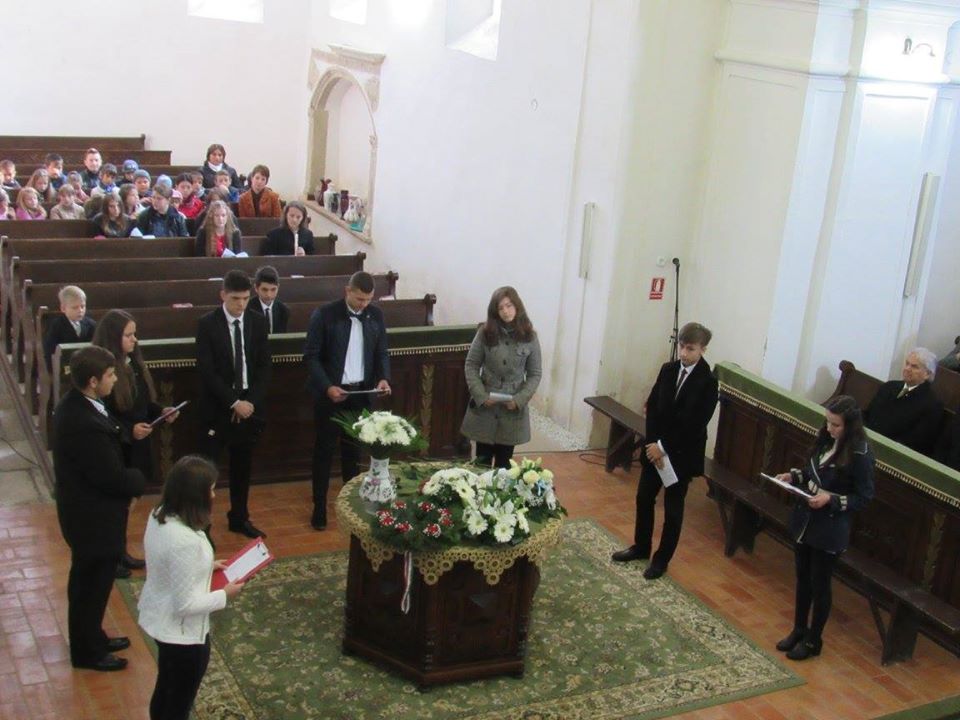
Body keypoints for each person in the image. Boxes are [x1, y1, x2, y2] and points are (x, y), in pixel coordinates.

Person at [53, 345, 146, 672]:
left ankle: (94, 636)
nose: (115, 379)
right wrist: (138, 480)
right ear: (93, 381)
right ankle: (87, 652)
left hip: (92, 512)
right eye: (110, 374)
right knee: (89, 586)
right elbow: (110, 476)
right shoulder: (82, 421)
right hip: (91, 517)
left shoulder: (82, 404)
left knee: (95, 582)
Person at [138, 455, 244, 719]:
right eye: (211, 489)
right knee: (178, 702)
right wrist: (224, 594)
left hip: (161, 621)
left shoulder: (159, 514)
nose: (214, 495)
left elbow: (167, 562)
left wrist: (207, 565)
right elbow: (185, 605)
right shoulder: (185, 541)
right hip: (183, 637)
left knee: (166, 687)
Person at [612, 322, 719, 580]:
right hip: (654, 449)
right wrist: (652, 445)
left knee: (672, 509)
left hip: (681, 456)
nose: (683, 353)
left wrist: (663, 448)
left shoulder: (708, 382)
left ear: (703, 349)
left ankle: (662, 559)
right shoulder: (668, 369)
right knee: (643, 498)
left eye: (690, 349)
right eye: (681, 346)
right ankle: (641, 546)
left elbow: (694, 424)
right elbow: (653, 407)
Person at [774, 395, 875, 661]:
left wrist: (831, 500)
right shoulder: (826, 440)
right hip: (806, 518)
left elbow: (863, 497)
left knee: (819, 583)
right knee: (802, 578)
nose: (829, 428)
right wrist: (793, 476)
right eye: (828, 422)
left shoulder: (860, 454)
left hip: (829, 526)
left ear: (850, 426)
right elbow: (812, 471)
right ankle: (798, 629)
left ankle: (813, 639)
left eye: (836, 425)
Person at [93, 309, 180, 577]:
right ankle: (110, 557)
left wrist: (161, 411)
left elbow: (142, 403)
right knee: (115, 506)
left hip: (138, 444)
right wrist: (129, 429)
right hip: (118, 445)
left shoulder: (133, 362)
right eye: (128, 335)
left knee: (128, 502)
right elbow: (104, 413)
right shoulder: (103, 370)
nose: (134, 340)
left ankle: (120, 552)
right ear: (113, 337)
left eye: (134, 334)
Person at [304, 271, 391, 530]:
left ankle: (351, 506)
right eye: (359, 299)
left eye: (368, 299)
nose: (364, 304)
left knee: (353, 454)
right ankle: (319, 508)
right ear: (347, 291)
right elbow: (311, 356)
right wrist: (327, 386)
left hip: (360, 395)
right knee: (324, 452)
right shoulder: (325, 315)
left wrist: (383, 378)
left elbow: (381, 352)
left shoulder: (376, 316)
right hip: (331, 396)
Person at [196, 270, 272, 538]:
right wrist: (233, 402)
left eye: (245, 299)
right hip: (218, 408)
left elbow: (263, 367)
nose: (241, 304)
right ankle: (202, 526)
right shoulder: (207, 324)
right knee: (208, 472)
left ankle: (239, 517)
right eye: (235, 299)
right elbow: (207, 372)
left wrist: (249, 402)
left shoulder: (257, 322)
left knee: (242, 466)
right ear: (223, 295)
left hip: (248, 407)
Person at [460, 287, 542, 469]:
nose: (506, 311)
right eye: (501, 308)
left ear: (517, 306)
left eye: (509, 305)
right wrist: (481, 396)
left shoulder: (530, 337)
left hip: (511, 409)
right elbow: (471, 365)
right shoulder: (485, 333)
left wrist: (519, 400)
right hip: (486, 407)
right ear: (495, 311)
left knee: (504, 466)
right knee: (481, 463)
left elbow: (535, 374)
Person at [863, 347, 943, 455]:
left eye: (914, 367)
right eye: (907, 363)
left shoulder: (932, 405)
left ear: (927, 374)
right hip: (865, 443)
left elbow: (917, 442)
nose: (907, 368)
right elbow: (868, 414)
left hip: (890, 453)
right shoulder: (889, 386)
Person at [43, 285, 97, 370]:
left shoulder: (91, 324)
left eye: (83, 306)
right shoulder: (56, 325)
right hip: (64, 366)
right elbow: (49, 350)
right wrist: (53, 369)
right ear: (63, 308)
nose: (80, 310)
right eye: (75, 307)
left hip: (87, 366)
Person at [248, 265, 289, 334]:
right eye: (264, 289)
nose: (269, 295)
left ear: (278, 287)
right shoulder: (248, 308)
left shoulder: (283, 310)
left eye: (273, 289)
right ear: (256, 288)